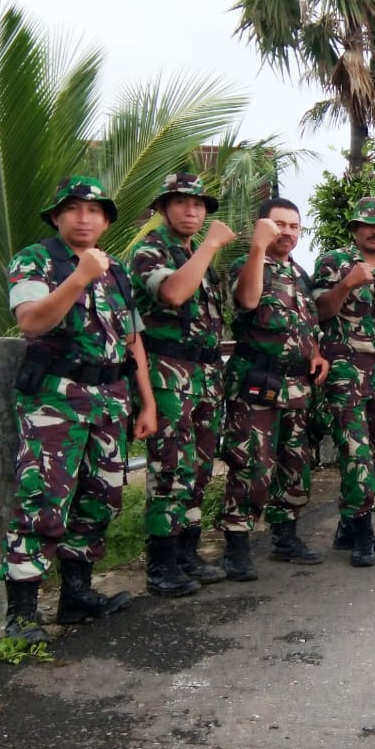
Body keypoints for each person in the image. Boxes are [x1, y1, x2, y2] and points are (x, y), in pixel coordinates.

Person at [1, 176, 157, 644]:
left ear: (107, 220)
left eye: (94, 210)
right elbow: (31, 322)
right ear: (56, 217)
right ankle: (23, 612)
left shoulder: (118, 272)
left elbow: (133, 341)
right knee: (43, 499)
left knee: (102, 497)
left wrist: (146, 401)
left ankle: (76, 595)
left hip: (110, 397)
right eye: (73, 209)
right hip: (55, 400)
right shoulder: (36, 259)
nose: (84, 217)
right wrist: (79, 276)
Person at [129, 173, 231, 596]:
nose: (192, 211)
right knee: (170, 467)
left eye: (199, 205)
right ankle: (162, 563)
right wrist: (210, 245)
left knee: (199, 468)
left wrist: (202, 251)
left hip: (204, 375)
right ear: (162, 207)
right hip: (168, 373)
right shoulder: (150, 251)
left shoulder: (193, 254)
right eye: (182, 203)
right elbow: (171, 295)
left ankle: (188, 552)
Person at [216, 198, 329, 578]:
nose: (288, 232)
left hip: (297, 386)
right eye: (279, 224)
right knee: (251, 465)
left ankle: (286, 537)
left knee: (296, 463)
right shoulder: (247, 264)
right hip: (256, 383)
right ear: (263, 226)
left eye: (294, 226)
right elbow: (248, 301)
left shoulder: (299, 274)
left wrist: (316, 353)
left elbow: (305, 325)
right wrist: (256, 248)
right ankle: (236, 546)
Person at [313, 197, 375, 566]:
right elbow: (320, 310)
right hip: (345, 372)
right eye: (368, 225)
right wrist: (347, 283)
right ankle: (362, 531)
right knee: (355, 451)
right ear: (355, 229)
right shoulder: (335, 261)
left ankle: (348, 523)